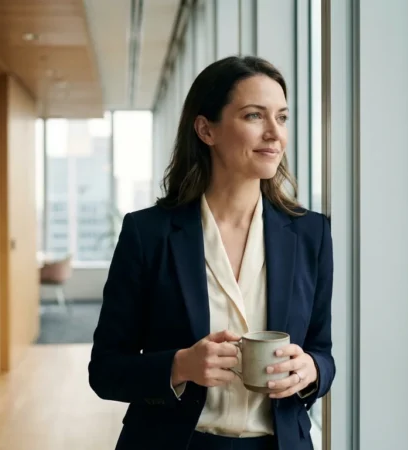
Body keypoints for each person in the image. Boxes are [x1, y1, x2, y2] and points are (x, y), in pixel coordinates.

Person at [88, 55, 334, 450]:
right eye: (255, 116)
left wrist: (312, 370)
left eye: (282, 118)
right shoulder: (148, 233)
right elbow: (105, 370)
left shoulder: (311, 234)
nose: (275, 133)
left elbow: (322, 350)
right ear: (206, 129)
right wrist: (179, 366)